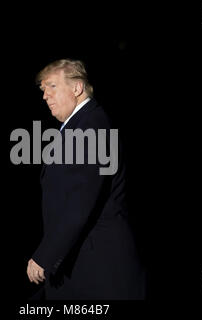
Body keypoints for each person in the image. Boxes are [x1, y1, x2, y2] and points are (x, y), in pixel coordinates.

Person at [26, 59, 146, 299]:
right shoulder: (80, 127)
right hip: (80, 267)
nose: (45, 96)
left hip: (98, 270)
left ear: (77, 88)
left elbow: (79, 202)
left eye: (51, 87)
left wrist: (45, 255)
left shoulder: (92, 126)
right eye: (43, 90)